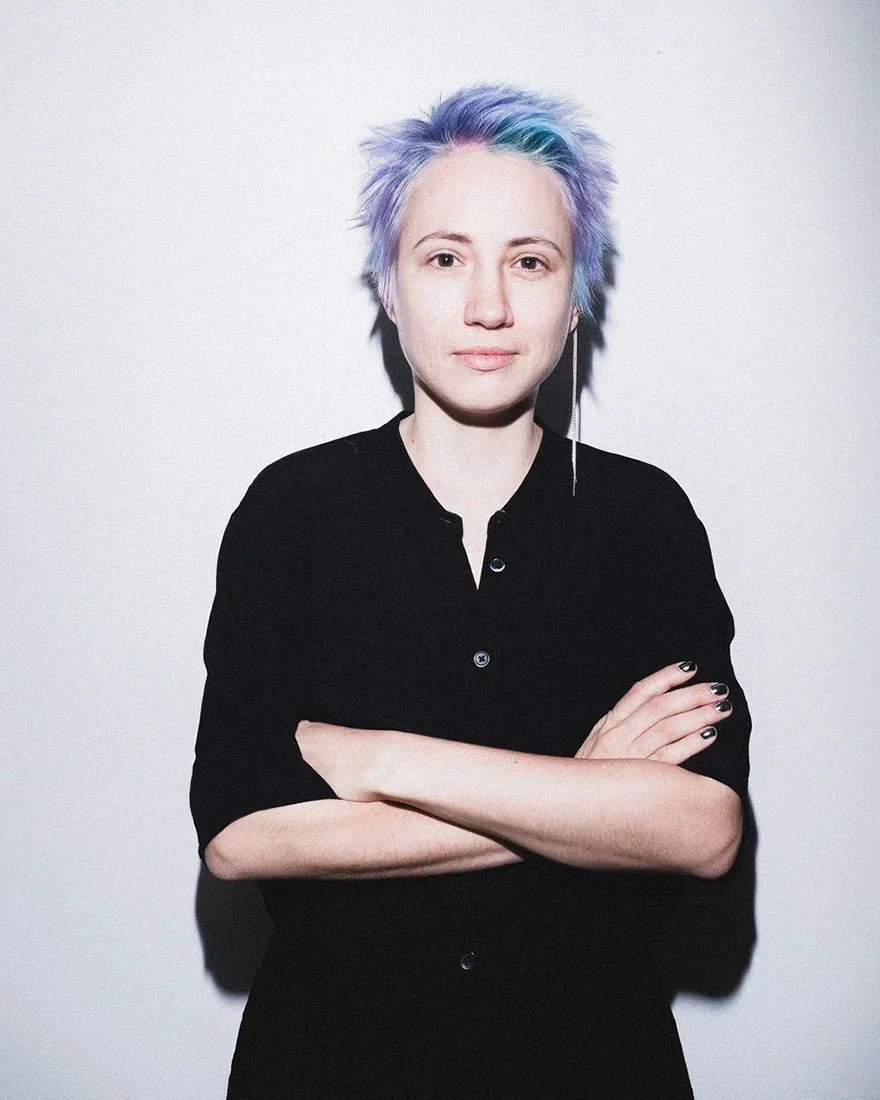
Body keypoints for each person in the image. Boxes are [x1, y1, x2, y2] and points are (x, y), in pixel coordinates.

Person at [191, 84, 750, 1100]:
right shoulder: (292, 513)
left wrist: (377, 760)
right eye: (444, 258)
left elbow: (702, 828)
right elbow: (242, 836)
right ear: (389, 286)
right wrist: (582, 790)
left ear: (574, 296)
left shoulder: (645, 519)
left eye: (529, 261)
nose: (488, 304)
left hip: (592, 1070)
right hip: (329, 1069)